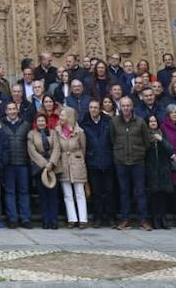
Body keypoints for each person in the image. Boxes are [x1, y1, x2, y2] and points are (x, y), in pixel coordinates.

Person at [112, 96, 152, 231]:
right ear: (120, 107)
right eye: (123, 106)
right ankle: (125, 219)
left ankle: (143, 220)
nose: (126, 108)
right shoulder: (114, 122)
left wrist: (139, 152)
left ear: (132, 106)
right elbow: (112, 139)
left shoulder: (140, 122)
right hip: (121, 161)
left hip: (137, 161)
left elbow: (147, 142)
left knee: (140, 192)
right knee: (124, 192)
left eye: (128, 105)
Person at [80, 98, 115, 227]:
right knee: (96, 192)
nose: (93, 110)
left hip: (107, 160)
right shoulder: (84, 124)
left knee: (109, 191)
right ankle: (98, 217)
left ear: (100, 109)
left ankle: (110, 217)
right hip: (93, 161)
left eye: (95, 107)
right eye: (91, 108)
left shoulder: (109, 122)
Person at [0, 100, 32, 228]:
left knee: (24, 191)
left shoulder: (26, 124)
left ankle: (25, 218)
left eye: (14, 109)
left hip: (22, 163)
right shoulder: (1, 125)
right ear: (6, 111)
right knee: (9, 192)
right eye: (9, 109)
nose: (12, 111)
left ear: (17, 110)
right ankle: (12, 219)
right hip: (8, 164)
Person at [55, 107, 89, 228]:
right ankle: (72, 218)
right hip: (63, 162)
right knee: (67, 193)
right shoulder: (57, 131)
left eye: (63, 115)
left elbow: (83, 148)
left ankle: (83, 219)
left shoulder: (79, 131)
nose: (61, 118)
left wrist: (79, 158)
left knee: (79, 192)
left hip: (77, 162)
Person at [27, 115, 61, 230]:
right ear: (36, 122)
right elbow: (32, 151)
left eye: (43, 121)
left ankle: (54, 220)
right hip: (40, 168)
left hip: (53, 167)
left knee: (53, 195)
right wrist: (44, 164)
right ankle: (45, 221)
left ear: (46, 122)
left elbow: (57, 148)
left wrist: (51, 163)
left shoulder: (53, 133)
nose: (41, 122)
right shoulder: (32, 134)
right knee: (43, 196)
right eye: (39, 121)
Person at [144, 115, 174, 229]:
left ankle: (163, 218)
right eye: (150, 121)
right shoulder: (145, 135)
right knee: (154, 195)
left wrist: (161, 140)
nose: (152, 123)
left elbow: (170, 149)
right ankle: (155, 218)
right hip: (151, 169)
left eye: (154, 121)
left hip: (163, 169)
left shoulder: (163, 133)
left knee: (163, 195)